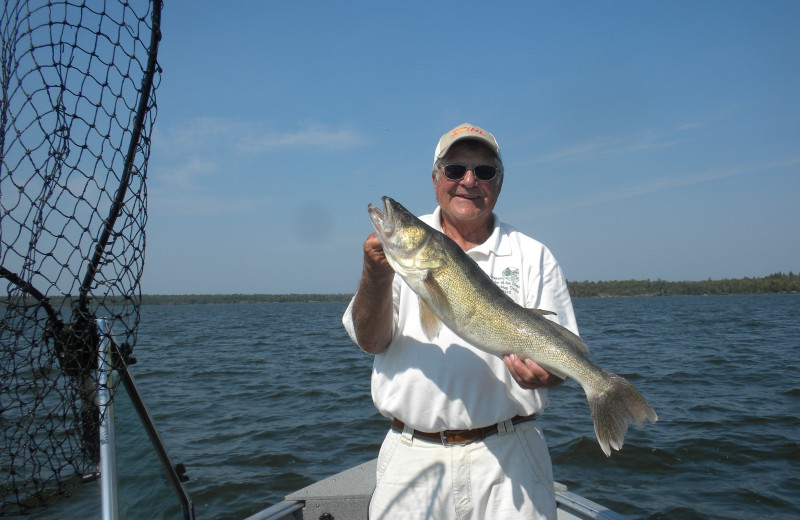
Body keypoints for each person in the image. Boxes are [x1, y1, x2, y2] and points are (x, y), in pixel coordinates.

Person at [342, 123, 579, 519]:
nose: (469, 181)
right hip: (413, 458)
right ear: (436, 179)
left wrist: (549, 375)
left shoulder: (534, 255)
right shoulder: (405, 254)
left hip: (510, 457)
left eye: (484, 172)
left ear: (499, 183)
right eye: (455, 170)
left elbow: (560, 365)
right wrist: (376, 275)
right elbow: (371, 341)